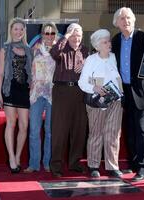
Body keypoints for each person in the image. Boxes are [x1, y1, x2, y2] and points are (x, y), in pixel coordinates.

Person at [111, 7, 144, 182]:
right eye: (122, 19)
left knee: (142, 129)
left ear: (134, 20)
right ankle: (134, 164)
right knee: (130, 130)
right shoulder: (116, 40)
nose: (126, 21)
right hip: (125, 92)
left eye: (129, 18)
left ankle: (143, 167)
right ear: (117, 23)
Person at [78, 29, 123, 178]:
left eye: (109, 41)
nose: (109, 44)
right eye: (105, 42)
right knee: (96, 133)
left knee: (113, 134)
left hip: (115, 100)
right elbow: (82, 82)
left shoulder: (114, 57)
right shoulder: (91, 60)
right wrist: (95, 88)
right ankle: (93, 165)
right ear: (97, 46)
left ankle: (112, 166)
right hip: (97, 102)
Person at [49, 23, 88, 177]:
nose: (76, 37)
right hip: (62, 90)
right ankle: (56, 166)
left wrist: (85, 64)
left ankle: (75, 163)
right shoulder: (61, 47)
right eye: (73, 33)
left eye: (79, 34)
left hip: (80, 91)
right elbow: (53, 53)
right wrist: (64, 37)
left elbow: (92, 67)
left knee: (79, 129)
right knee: (60, 130)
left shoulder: (85, 51)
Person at [0, 18, 32, 173]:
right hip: (9, 90)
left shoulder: (28, 49)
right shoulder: (5, 48)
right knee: (11, 123)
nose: (18, 31)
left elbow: (31, 72)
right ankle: (11, 157)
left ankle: (18, 156)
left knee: (24, 125)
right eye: (15, 29)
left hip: (25, 91)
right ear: (11, 30)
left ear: (24, 31)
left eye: (21, 29)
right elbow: (1, 73)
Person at [24, 22, 58, 173]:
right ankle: (34, 164)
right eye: (46, 33)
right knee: (34, 130)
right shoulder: (34, 50)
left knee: (50, 131)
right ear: (42, 34)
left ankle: (48, 162)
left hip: (53, 94)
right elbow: (27, 69)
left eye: (52, 33)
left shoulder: (60, 50)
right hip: (37, 93)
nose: (49, 36)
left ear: (55, 34)